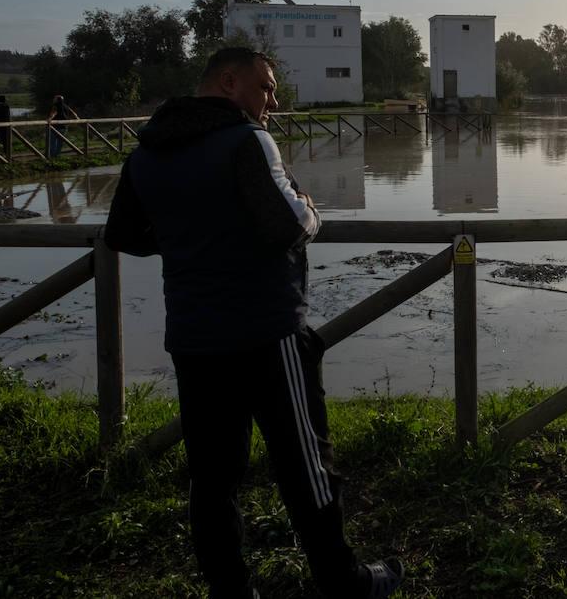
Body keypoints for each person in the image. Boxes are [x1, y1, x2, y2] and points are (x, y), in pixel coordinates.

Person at [104, 47, 403, 599]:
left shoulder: (148, 152)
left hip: (193, 339)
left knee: (212, 479)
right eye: (265, 87)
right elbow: (285, 225)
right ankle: (343, 583)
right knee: (306, 466)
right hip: (267, 333)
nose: (273, 100)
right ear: (227, 82)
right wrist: (312, 208)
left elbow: (121, 235)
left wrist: (188, 244)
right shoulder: (246, 139)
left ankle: (231, 591)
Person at [46, 93, 78, 158]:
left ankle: (51, 156)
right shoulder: (66, 106)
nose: (53, 99)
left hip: (56, 127)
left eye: (54, 98)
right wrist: (77, 119)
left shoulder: (55, 106)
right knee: (60, 143)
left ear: (58, 100)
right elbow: (73, 113)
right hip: (64, 127)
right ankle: (57, 155)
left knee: (53, 142)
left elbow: (54, 113)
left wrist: (49, 119)